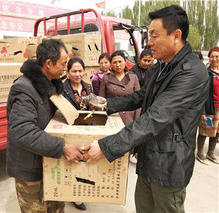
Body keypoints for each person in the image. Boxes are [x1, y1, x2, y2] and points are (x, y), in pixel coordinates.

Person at [84, 5, 209, 213]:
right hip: (149, 158)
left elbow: (155, 117)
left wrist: (107, 147)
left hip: (169, 165)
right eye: (148, 35)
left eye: (154, 35)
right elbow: (142, 97)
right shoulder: (161, 67)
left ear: (176, 35)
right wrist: (106, 104)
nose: (149, 42)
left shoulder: (191, 72)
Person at [6, 39, 84, 213]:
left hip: (50, 162)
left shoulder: (51, 85)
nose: (66, 68)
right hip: (29, 168)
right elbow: (22, 131)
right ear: (49, 63)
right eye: (63, 64)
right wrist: (62, 146)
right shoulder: (24, 88)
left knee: (56, 208)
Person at [99, 50, 141, 164]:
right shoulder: (106, 78)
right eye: (115, 62)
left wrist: (137, 119)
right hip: (113, 118)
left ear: (125, 62)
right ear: (111, 64)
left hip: (129, 117)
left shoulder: (133, 78)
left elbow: (139, 100)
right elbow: (101, 101)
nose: (118, 65)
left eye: (120, 61)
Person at [62, 57, 92, 211]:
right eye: (74, 71)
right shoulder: (62, 89)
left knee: (84, 162)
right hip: (70, 131)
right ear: (67, 72)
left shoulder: (88, 87)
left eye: (80, 71)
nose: (77, 74)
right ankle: (74, 196)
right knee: (72, 162)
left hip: (87, 130)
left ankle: (81, 191)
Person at [197, 46, 219, 165]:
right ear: (208, 58)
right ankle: (200, 152)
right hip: (209, 106)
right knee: (205, 130)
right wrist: (203, 111)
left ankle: (211, 152)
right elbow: (202, 93)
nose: (214, 59)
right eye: (212, 56)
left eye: (217, 56)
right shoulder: (206, 73)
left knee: (216, 131)